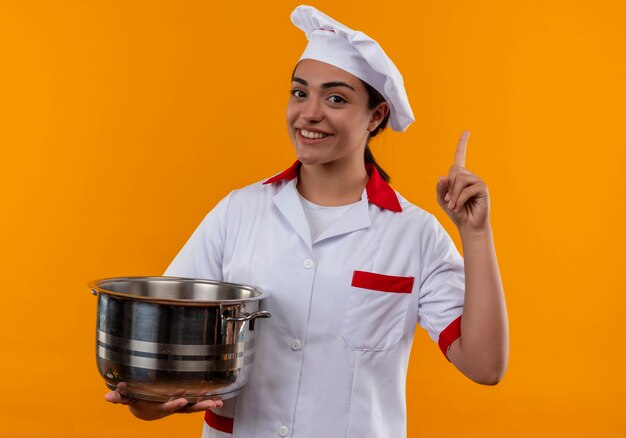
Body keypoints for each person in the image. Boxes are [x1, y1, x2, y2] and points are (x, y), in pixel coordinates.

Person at [105, 5, 509, 437]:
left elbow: (485, 366)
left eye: (335, 98)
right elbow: (162, 370)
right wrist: (149, 398)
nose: (310, 113)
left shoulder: (414, 234)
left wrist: (476, 233)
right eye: (300, 93)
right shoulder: (238, 212)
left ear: (375, 116)